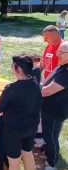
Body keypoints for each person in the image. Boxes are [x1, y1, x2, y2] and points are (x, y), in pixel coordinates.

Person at [0, 54, 42, 170]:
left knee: (14, 162)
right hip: (31, 127)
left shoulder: (11, 89)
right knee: (28, 154)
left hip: (14, 130)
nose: (11, 67)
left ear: (18, 69)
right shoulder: (37, 84)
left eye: (12, 65)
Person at [39, 41, 68, 170]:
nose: (58, 55)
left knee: (51, 138)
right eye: (58, 52)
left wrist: (30, 89)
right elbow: (46, 84)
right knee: (47, 135)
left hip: (55, 112)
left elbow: (48, 90)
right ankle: (47, 154)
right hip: (48, 109)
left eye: (61, 52)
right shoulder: (62, 65)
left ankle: (51, 164)